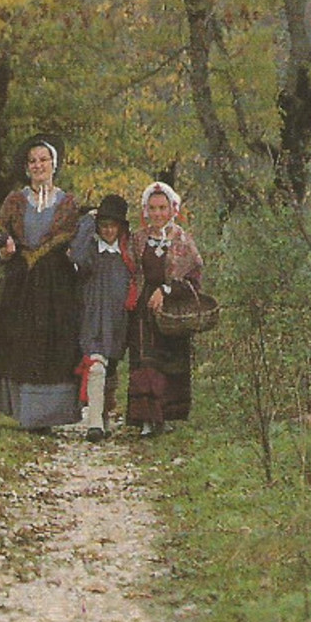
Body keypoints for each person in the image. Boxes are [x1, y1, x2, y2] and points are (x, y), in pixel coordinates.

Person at [0, 134, 84, 433]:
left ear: (55, 164)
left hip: (56, 288)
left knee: (52, 347)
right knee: (19, 344)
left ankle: (49, 415)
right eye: (33, 161)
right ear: (26, 168)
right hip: (21, 285)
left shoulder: (68, 203)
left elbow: (79, 249)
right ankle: (23, 412)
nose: (38, 165)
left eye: (44, 160)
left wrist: (71, 255)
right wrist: (6, 250)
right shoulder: (14, 201)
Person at [127, 181, 204, 437]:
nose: (157, 213)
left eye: (162, 208)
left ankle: (166, 415)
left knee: (169, 362)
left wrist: (167, 290)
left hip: (172, 309)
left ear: (172, 209)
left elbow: (194, 276)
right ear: (145, 210)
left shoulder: (182, 239)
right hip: (144, 310)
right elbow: (130, 271)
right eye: (152, 208)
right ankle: (147, 419)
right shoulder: (138, 239)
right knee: (146, 361)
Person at [68, 193, 137, 442]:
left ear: (121, 227)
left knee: (110, 368)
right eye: (104, 225)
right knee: (95, 364)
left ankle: (104, 416)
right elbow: (75, 254)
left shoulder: (127, 254)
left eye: (113, 226)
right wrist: (88, 221)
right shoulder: (90, 253)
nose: (108, 230)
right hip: (91, 316)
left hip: (118, 320)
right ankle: (94, 422)